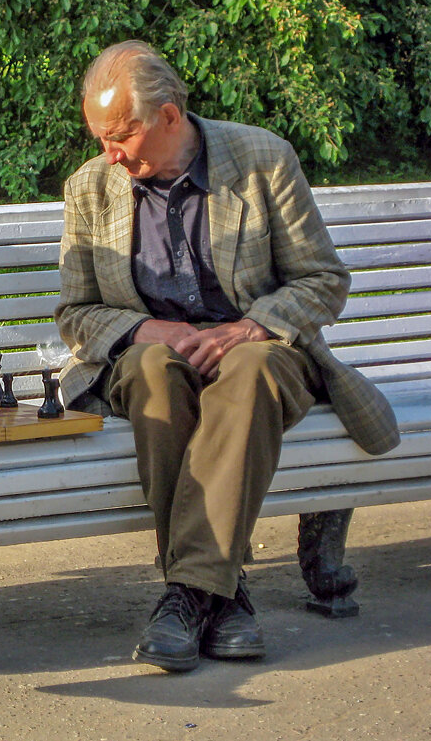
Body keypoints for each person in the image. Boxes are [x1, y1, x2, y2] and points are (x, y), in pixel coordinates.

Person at [55, 40, 400, 673]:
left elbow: (322, 280)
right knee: (157, 378)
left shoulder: (262, 158)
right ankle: (225, 596)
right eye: (101, 137)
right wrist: (147, 329)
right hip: (151, 355)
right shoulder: (92, 186)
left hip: (262, 351)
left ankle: (188, 596)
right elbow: (76, 312)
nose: (112, 153)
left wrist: (252, 328)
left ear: (169, 116)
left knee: (250, 370)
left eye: (122, 135)